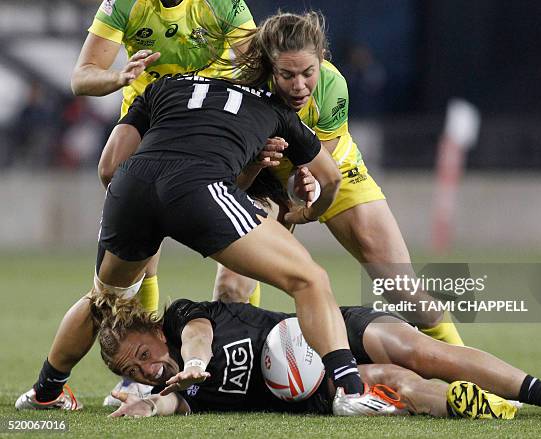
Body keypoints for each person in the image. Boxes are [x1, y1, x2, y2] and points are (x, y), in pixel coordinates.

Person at [15, 73, 374, 411]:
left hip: (132, 184)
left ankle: (45, 392)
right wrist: (307, 211)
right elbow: (329, 177)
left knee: (103, 300)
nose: (298, 84)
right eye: (290, 74)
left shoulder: (166, 84)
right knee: (309, 278)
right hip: (199, 188)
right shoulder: (275, 105)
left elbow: (108, 168)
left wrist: (137, 217)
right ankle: (349, 389)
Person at [16, 0, 260, 410]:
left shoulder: (221, 4)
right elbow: (82, 77)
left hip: (213, 129)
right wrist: (119, 77)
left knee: (251, 268)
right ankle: (62, 387)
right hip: (156, 128)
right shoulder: (124, 5)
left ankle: (244, 367)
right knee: (111, 291)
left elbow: (259, 65)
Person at [208, 11, 464, 345]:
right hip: (264, 177)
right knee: (231, 288)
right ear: (270, 67)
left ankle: (465, 371)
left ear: (321, 61)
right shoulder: (243, 91)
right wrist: (256, 163)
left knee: (403, 289)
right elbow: (231, 184)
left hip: (332, 168)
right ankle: (231, 384)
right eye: (287, 74)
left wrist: (304, 193)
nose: (299, 86)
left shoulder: (332, 84)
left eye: (307, 72)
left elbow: (318, 166)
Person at [96, 296, 541, 419]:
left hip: (323, 328)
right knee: (392, 378)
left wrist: (197, 362)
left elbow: (200, 335)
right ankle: (464, 403)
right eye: (132, 371)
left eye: (142, 354)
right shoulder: (174, 388)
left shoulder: (185, 318)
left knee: (417, 349)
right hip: (308, 389)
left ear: (155, 329)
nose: (146, 370)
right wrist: (148, 404)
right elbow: (173, 406)